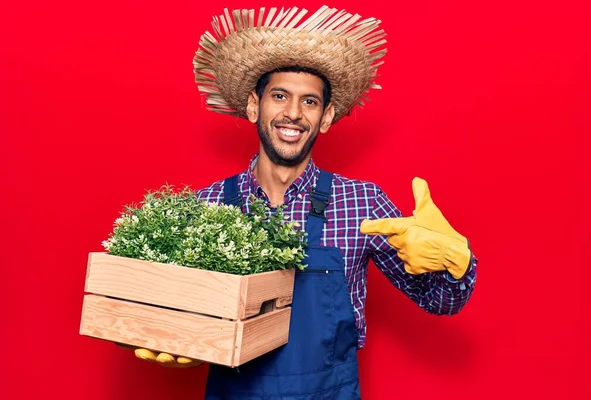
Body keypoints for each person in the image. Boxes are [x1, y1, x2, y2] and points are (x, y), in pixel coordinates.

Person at [132, 5, 478, 399]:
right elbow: (173, 317)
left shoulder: (362, 204)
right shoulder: (206, 206)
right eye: (279, 96)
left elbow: (441, 301)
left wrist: (457, 261)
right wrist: (174, 336)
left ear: (326, 116)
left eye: (309, 102)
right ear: (253, 105)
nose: (293, 113)